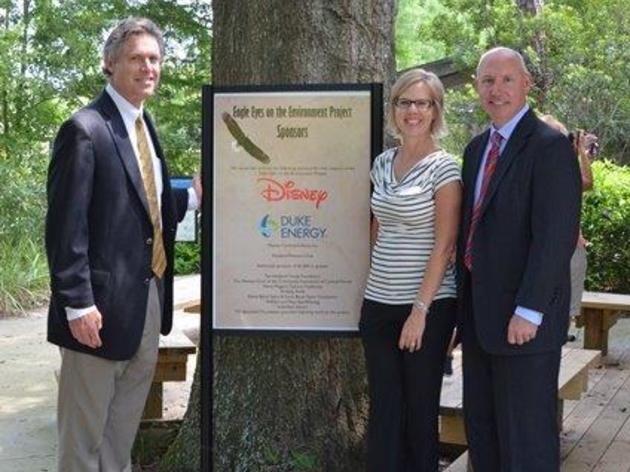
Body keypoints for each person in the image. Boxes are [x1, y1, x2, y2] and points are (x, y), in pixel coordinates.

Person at [45, 17, 200, 472]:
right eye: (136, 58)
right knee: (83, 437)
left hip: (147, 299)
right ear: (110, 64)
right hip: (94, 310)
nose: (148, 67)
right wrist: (76, 304)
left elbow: (140, 204)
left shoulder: (143, 124)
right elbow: (64, 226)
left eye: (154, 58)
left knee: (122, 429)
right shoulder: (84, 129)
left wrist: (189, 197)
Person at [457, 47, 581, 471]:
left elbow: (555, 237)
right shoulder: (475, 150)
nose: (497, 89)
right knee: (485, 434)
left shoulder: (549, 148)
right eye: (488, 81)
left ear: (526, 84)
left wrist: (529, 310)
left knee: (526, 441)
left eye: (507, 79)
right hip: (478, 321)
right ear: (478, 88)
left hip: (524, 323)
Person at [359, 68, 462, 471]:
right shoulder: (383, 162)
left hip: (426, 307)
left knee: (419, 410)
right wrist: (369, 284)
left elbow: (445, 244)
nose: (413, 111)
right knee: (384, 409)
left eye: (423, 103)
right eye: (405, 102)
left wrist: (420, 311)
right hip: (378, 303)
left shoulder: (445, 168)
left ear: (435, 110)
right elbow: (377, 225)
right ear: (395, 109)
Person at [539, 115, 597, 325]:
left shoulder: (563, 165)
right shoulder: (536, 165)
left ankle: (561, 330)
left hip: (569, 243)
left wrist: (580, 151)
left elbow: (586, 183)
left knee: (565, 304)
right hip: (544, 244)